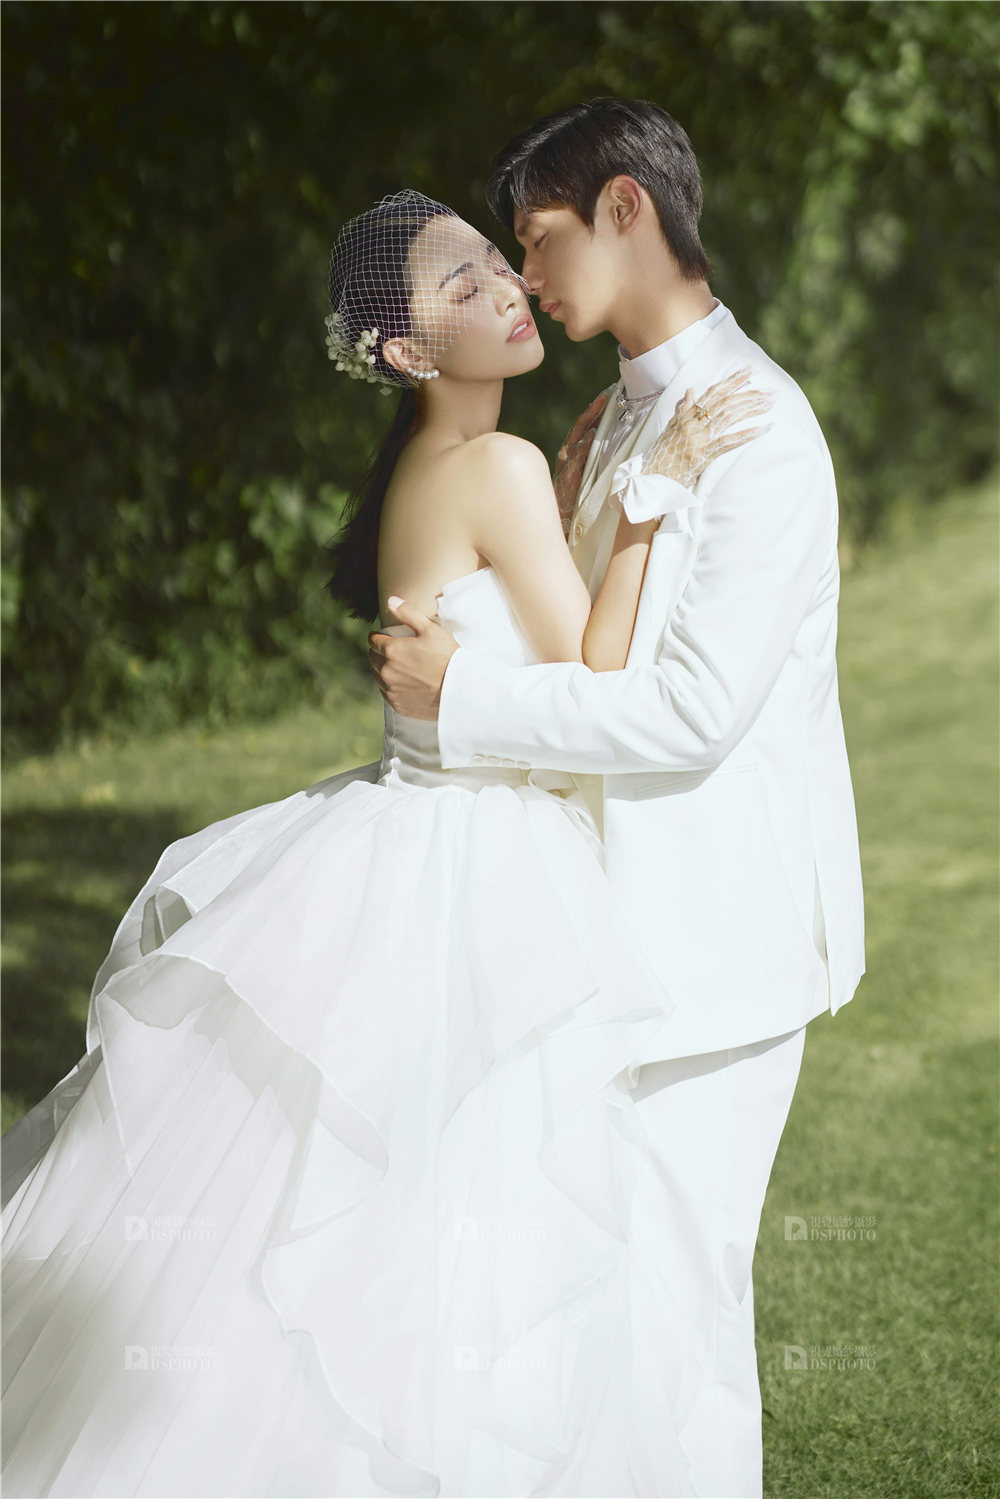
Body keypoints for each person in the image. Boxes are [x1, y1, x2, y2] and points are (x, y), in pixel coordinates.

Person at [1, 188, 770, 1499]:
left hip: (404, 830)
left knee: (338, 1192)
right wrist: (655, 499)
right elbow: (594, 672)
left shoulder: (437, 467)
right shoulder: (497, 465)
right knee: (462, 1195)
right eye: (461, 288)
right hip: (472, 854)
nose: (505, 289)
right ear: (407, 351)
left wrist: (575, 488)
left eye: (494, 265)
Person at [370, 100, 867, 1499]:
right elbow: (584, 646)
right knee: (588, 1331)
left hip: (714, 947)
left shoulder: (763, 432)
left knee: (680, 1328)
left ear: (628, 210)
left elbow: (692, 713)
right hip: (589, 938)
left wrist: (461, 699)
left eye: (538, 238)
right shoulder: (602, 419)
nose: (525, 274)